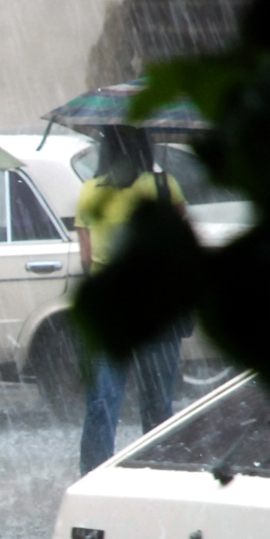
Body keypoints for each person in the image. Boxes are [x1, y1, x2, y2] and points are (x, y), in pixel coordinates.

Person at [76, 126, 187, 474]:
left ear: (107, 148)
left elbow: (87, 258)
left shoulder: (91, 191)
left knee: (103, 400)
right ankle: (160, 469)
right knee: (157, 403)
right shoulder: (165, 186)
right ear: (145, 146)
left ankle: (94, 474)